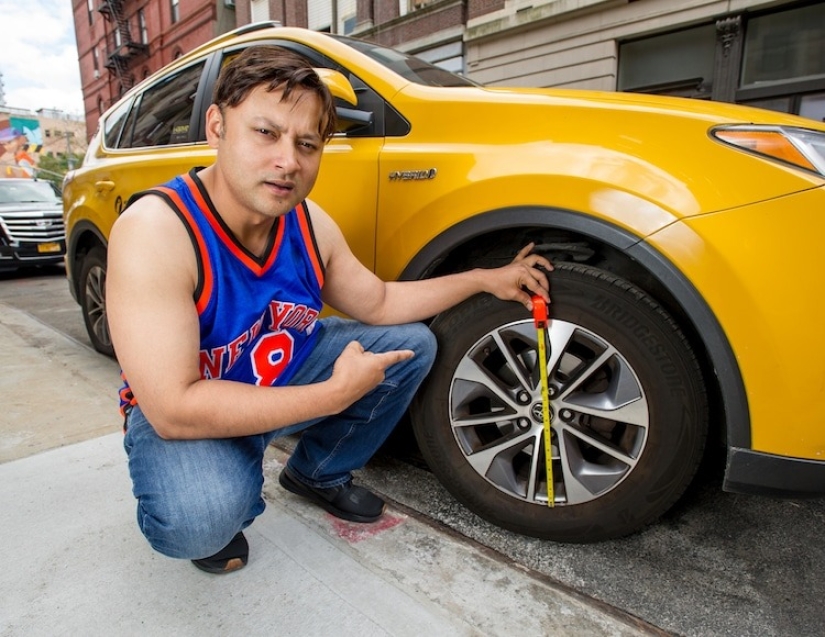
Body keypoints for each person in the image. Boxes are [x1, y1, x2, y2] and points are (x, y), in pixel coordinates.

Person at [106, 45, 552, 575]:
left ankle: (316, 473)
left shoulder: (308, 222)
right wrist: (333, 394)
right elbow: (175, 408)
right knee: (202, 518)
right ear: (217, 127)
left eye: (307, 144)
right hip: (189, 409)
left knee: (411, 346)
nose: (289, 161)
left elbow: (381, 302)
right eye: (265, 133)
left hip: (277, 367)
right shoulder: (157, 230)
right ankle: (225, 483)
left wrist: (484, 279)